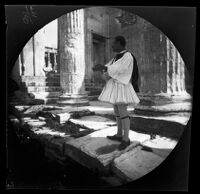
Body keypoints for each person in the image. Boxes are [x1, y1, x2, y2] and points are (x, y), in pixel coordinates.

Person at [98, 36, 140, 150]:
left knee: (122, 111)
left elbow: (120, 69)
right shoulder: (115, 57)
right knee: (116, 110)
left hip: (122, 86)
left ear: (120, 43)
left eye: (113, 43)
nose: (111, 46)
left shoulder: (128, 56)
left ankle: (126, 139)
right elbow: (109, 67)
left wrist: (105, 68)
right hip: (115, 86)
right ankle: (119, 134)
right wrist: (103, 68)